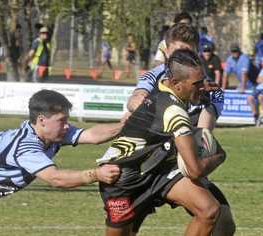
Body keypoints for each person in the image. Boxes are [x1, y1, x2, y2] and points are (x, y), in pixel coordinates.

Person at [98, 49, 234, 236]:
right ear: (177, 83)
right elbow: (194, 170)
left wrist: (202, 92)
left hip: (159, 171)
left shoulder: (164, 87)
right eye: (197, 83)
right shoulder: (173, 111)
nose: (203, 86)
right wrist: (219, 156)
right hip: (123, 178)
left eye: (203, 80)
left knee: (209, 210)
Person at [0, 90, 122, 198]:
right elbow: (55, 178)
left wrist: (127, 125)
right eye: (61, 120)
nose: (67, 126)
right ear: (42, 120)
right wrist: (96, 174)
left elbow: (92, 135)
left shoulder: (51, 134)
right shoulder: (25, 147)